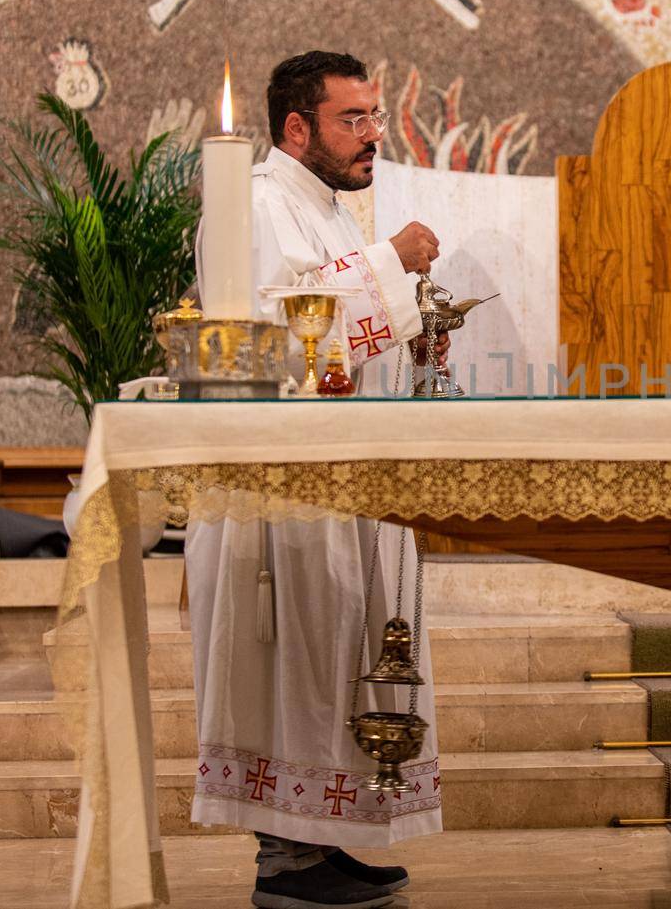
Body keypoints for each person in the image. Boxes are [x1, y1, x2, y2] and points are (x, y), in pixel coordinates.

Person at [186, 51, 444, 909]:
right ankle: (284, 860)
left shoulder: (326, 210)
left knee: (328, 661)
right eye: (353, 119)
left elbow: (339, 339)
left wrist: (411, 334)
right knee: (293, 665)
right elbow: (272, 333)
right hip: (280, 496)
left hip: (335, 481)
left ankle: (313, 840)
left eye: (374, 115)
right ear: (297, 128)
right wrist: (393, 266)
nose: (374, 133)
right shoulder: (259, 205)